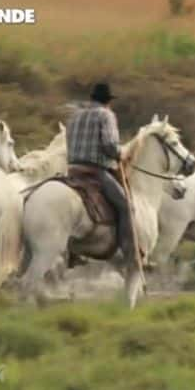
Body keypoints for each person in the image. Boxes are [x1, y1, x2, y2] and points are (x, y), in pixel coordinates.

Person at [66, 82, 137, 260]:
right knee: (125, 205)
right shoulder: (106, 115)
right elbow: (109, 144)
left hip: (73, 170)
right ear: (108, 101)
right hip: (95, 171)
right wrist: (120, 153)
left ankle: (73, 253)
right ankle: (128, 252)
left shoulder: (75, 116)